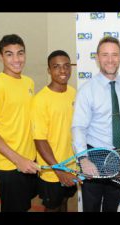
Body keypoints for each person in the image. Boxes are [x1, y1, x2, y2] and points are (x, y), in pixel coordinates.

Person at [72, 36, 120, 212]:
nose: (110, 60)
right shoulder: (87, 90)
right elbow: (79, 127)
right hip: (94, 156)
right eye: (105, 55)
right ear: (97, 57)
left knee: (112, 205)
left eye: (114, 55)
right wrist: (83, 159)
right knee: (91, 207)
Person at [0, 34, 39, 212]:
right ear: (1, 57)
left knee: (24, 205)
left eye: (20, 53)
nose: (16, 59)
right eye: (9, 54)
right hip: (9, 164)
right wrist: (17, 160)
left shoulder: (29, 82)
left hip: (29, 159)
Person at [30, 50, 82, 212]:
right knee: (52, 207)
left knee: (64, 202)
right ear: (49, 70)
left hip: (71, 167)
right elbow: (39, 140)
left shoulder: (74, 93)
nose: (63, 71)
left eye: (66, 66)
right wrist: (59, 170)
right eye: (57, 67)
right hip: (53, 172)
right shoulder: (40, 100)